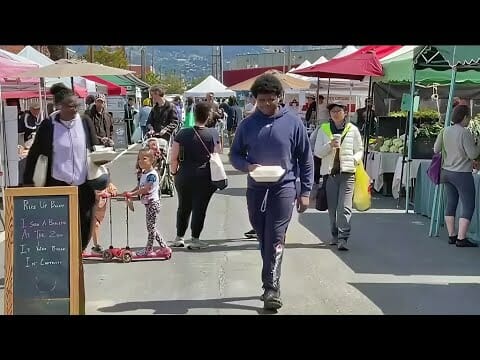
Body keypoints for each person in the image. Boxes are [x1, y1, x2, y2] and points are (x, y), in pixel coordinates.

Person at [230, 74, 313, 310]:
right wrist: (248, 166)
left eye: (271, 99)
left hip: (284, 187)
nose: (267, 104)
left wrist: (305, 190)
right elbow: (235, 155)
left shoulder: (293, 122)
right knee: (262, 234)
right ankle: (271, 276)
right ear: (254, 99)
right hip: (256, 188)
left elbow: (306, 159)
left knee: (276, 235)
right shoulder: (247, 125)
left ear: (280, 97)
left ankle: (271, 288)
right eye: (262, 100)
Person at [23, 83, 102, 251]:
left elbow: (95, 150)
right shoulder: (48, 125)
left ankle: (78, 255)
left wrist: (104, 179)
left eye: (77, 105)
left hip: (83, 186)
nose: (74, 109)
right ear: (59, 106)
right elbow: (34, 154)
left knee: (85, 224)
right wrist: (28, 182)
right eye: (70, 106)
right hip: (57, 185)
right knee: (59, 228)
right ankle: (62, 262)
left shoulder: (85, 121)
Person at [169, 101, 221, 249]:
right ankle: (195, 239)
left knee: (183, 207)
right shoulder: (213, 133)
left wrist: (174, 172)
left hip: (184, 174)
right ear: (209, 116)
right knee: (200, 208)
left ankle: (179, 237)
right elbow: (217, 152)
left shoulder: (182, 133)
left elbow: (173, 157)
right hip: (205, 175)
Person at [314, 101, 363, 251]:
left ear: (345, 113)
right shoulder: (323, 129)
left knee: (344, 207)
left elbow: (360, 149)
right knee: (333, 208)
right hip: (330, 174)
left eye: (338, 111)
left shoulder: (352, 129)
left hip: (348, 174)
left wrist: (354, 160)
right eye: (333, 111)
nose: (335, 113)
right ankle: (334, 235)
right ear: (329, 114)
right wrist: (329, 145)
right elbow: (317, 152)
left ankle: (343, 238)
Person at [434, 104, 480, 247]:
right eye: (469, 117)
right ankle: (461, 238)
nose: (469, 120)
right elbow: (473, 154)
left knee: (451, 202)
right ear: (464, 117)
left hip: (447, 172)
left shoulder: (445, 130)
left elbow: (436, 149)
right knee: (468, 204)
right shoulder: (464, 133)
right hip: (462, 173)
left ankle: (451, 235)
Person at [123, 148, 172, 257]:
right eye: (139, 159)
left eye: (144, 159)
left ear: (152, 160)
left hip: (153, 204)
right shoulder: (144, 173)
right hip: (149, 205)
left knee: (151, 228)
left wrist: (133, 194)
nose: (140, 161)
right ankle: (164, 248)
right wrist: (130, 192)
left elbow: (146, 189)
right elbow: (139, 186)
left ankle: (149, 250)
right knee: (152, 227)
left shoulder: (152, 175)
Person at [90, 182, 118, 253]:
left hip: (100, 211)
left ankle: (95, 247)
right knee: (95, 225)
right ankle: (96, 246)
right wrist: (100, 194)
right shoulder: (91, 182)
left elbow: (114, 190)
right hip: (90, 209)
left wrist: (113, 193)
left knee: (95, 227)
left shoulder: (106, 184)